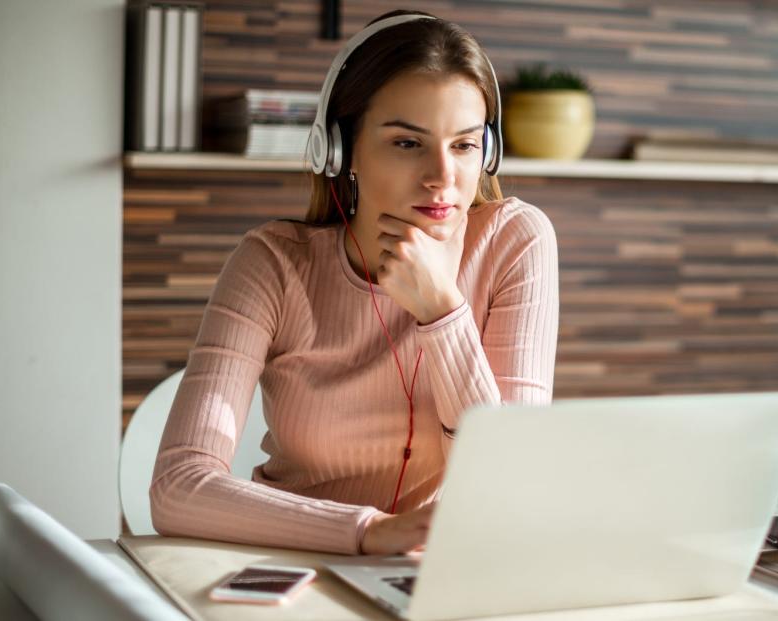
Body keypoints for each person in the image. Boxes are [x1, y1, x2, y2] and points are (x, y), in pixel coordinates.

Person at [149, 10, 559, 556]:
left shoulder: (516, 241)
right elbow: (177, 490)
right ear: (341, 153)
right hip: (295, 562)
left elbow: (513, 483)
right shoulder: (272, 264)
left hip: (437, 575)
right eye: (407, 144)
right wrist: (367, 532)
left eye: (463, 145)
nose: (442, 177)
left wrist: (442, 309)